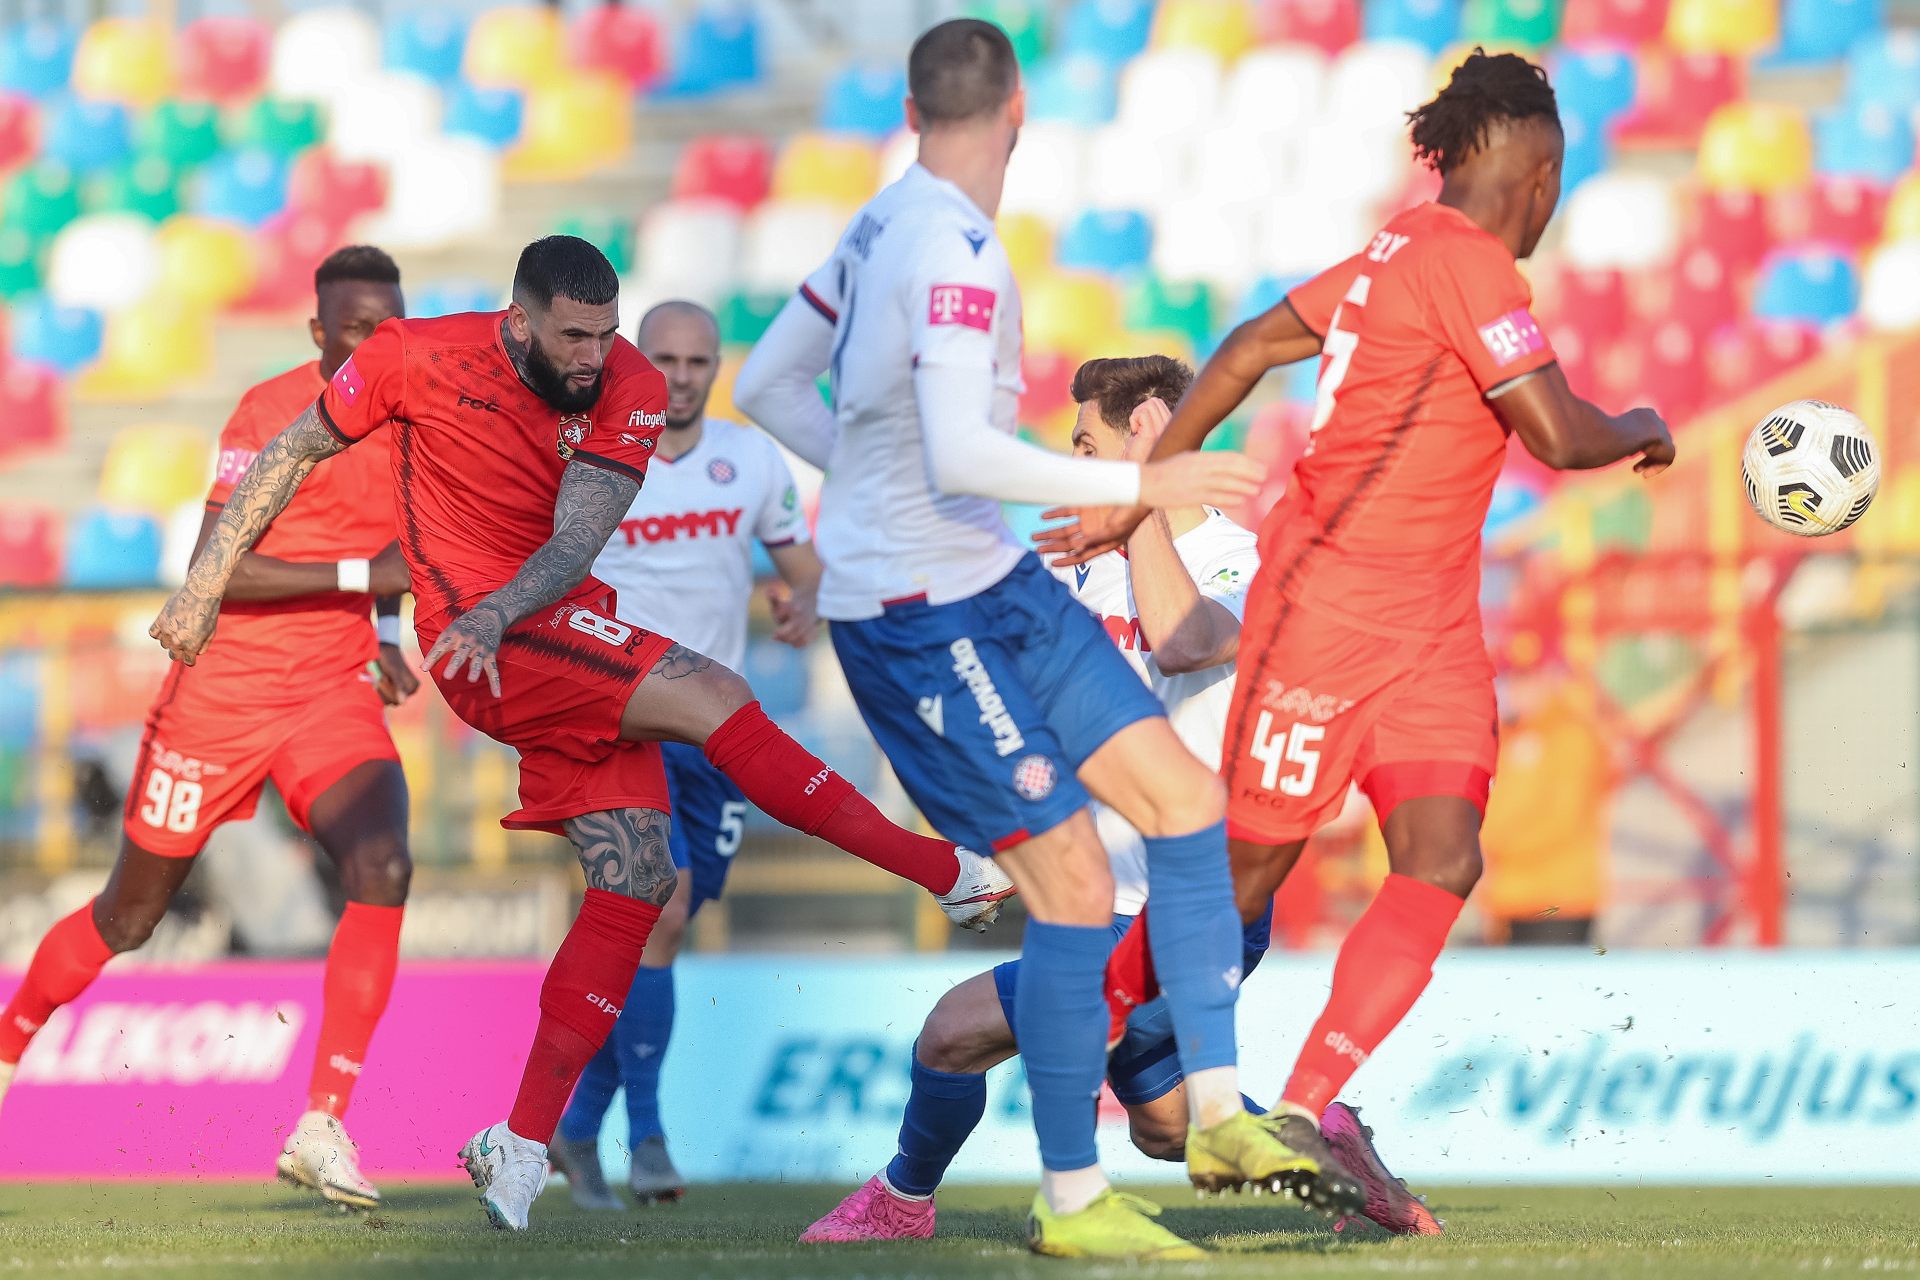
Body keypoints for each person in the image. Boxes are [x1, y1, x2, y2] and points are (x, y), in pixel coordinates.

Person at [149, 235, 1005, 1233]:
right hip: (482, 648)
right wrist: (203, 586)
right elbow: (292, 449)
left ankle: (519, 1142)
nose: (595, 355)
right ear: (519, 322)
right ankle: (944, 870)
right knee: (717, 693)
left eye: (606, 333)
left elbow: (577, 539)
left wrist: (499, 608)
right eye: (574, 337)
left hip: (537, 619)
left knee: (636, 881)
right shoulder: (415, 357)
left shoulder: (629, 385)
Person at [736, 21, 1345, 1260]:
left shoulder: (874, 232)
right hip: (933, 605)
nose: (1074, 458)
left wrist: (896, 488)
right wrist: (1120, 491)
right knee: (1091, 997)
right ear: (1016, 109)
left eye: (1087, 441)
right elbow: (961, 453)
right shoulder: (958, 249)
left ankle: (1191, 1131)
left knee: (1131, 858)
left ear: (913, 110)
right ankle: (1158, 1160)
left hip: (1145, 850)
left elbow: (764, 388)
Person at [1037, 49, 1674, 1214]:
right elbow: (1556, 432)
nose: (1553, 201)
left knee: (1443, 856)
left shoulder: (1396, 251)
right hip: (1323, 611)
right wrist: (1640, 422)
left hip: (1430, 627)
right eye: (1555, 179)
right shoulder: (1465, 262)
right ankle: (1088, 1013)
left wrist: (1146, 487)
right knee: (1246, 872)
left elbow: (1248, 343)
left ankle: (1311, 1104)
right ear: (1534, 170)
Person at [543, 300, 1002, 1209]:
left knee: (661, 925)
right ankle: (648, 1138)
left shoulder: (750, 461)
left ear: (717, 367)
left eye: (696, 361)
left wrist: (805, 605)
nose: (679, 377)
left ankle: (579, 1126)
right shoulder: (589, 455)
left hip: (712, 726)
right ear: (636, 360)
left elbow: (803, 570)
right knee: (661, 908)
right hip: (619, 718)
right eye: (664, 358)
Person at [0, 246, 418, 1209]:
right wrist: (366, 582)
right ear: (318, 334)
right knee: (128, 918)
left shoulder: (412, 424)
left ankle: (322, 1124)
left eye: (390, 327)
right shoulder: (270, 414)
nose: (376, 346)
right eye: (357, 330)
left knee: (384, 865)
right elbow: (214, 570)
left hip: (330, 692)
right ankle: (10, 1041)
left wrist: (388, 634)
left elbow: (392, 545)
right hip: (222, 695)